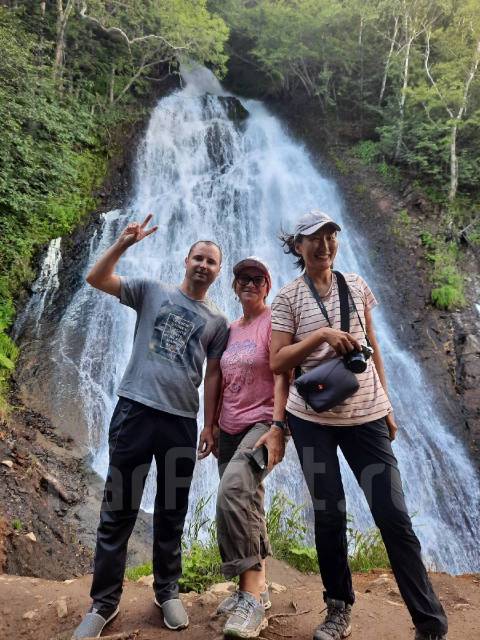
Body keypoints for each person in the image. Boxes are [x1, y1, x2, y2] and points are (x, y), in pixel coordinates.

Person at [270, 210, 448, 640]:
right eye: (315, 237)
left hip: (366, 414)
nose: (325, 244)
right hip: (311, 419)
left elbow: (373, 347)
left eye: (331, 235)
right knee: (329, 515)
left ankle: (429, 622)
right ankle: (338, 610)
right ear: (299, 247)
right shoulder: (288, 298)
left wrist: (387, 404)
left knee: (393, 516)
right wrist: (320, 337)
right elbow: (277, 361)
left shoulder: (357, 286)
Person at [72, 214, 229, 639]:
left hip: (181, 421)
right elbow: (95, 278)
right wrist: (123, 243)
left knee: (172, 510)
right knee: (118, 509)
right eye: (198, 257)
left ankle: (167, 591)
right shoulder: (150, 291)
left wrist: (209, 425)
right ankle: (103, 603)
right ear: (186, 259)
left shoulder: (218, 321)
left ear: (218, 271)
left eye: (212, 261)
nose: (203, 265)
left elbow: (213, 375)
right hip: (135, 411)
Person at [200, 256, 289, 639]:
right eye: (242, 279)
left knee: (233, 492)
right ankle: (259, 588)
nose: (249, 284)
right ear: (234, 287)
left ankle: (249, 599)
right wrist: (211, 424)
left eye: (257, 278)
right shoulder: (230, 329)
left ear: (267, 285)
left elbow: (286, 372)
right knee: (249, 500)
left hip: (263, 423)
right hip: (230, 427)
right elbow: (215, 376)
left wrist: (279, 427)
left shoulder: (275, 322)